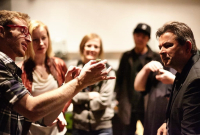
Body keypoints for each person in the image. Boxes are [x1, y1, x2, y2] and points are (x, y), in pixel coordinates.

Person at [0, 10, 115, 135]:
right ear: (1, 32)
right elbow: (32, 109)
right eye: (23, 31)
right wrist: (80, 83)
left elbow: (44, 118)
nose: (28, 40)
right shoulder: (11, 67)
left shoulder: (14, 69)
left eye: (43, 38)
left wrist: (68, 88)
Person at [17, 20, 70, 135]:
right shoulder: (20, 69)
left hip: (56, 130)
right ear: (28, 41)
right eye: (35, 40)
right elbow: (21, 106)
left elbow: (68, 92)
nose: (41, 43)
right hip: (32, 130)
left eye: (43, 38)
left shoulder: (59, 64)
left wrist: (60, 111)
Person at [114, 23, 161, 135]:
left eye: (143, 36)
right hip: (128, 104)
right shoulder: (126, 56)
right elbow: (119, 78)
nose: (140, 39)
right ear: (134, 36)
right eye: (138, 35)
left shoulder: (155, 57)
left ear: (148, 39)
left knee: (150, 132)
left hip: (147, 104)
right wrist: (118, 98)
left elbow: (158, 83)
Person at [156, 21, 199, 135]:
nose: (161, 51)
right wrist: (168, 124)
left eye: (168, 45)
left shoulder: (196, 80)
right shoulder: (183, 68)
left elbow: (191, 132)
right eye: (160, 47)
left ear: (187, 47)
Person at [72, 33, 116, 135]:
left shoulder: (108, 70)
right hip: (79, 126)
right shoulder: (74, 69)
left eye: (96, 46)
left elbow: (104, 100)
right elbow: (71, 96)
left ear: (100, 50)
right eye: (89, 45)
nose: (92, 49)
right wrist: (89, 96)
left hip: (102, 127)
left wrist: (82, 102)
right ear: (82, 47)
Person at [134, 60, 175, 135]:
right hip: (153, 118)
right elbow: (138, 87)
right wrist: (145, 69)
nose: (162, 50)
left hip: (173, 121)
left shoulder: (191, 65)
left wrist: (174, 80)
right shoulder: (160, 63)